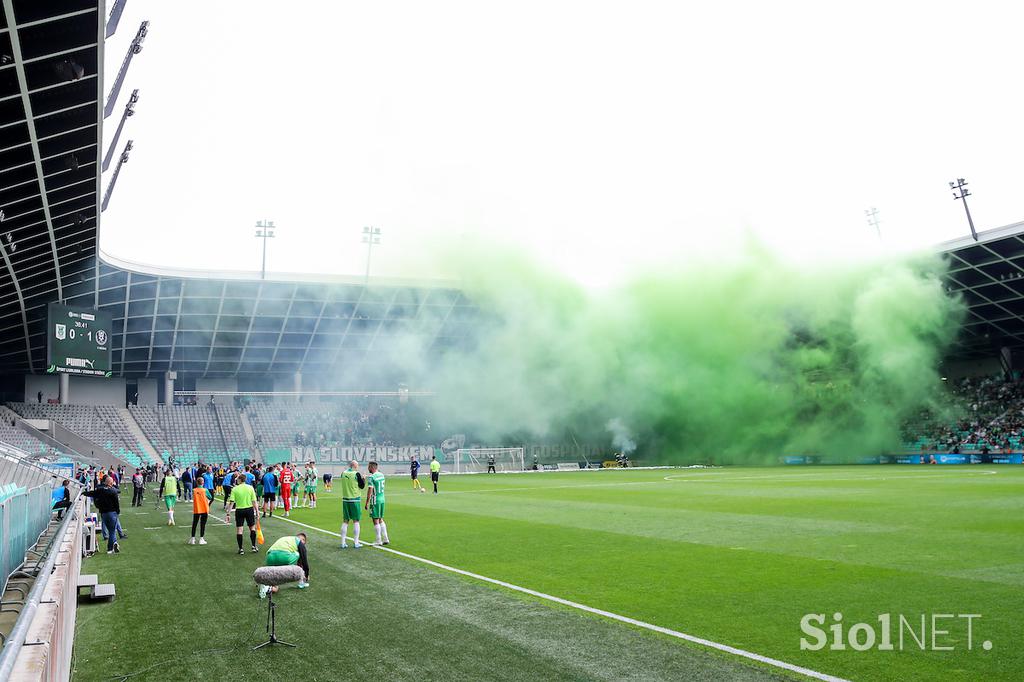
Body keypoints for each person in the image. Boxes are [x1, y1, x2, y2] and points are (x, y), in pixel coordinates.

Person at [259, 533, 310, 598]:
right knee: (299, 555)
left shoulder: (286, 538)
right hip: (284, 556)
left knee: (275, 587)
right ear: (302, 540)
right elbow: (304, 562)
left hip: (269, 556)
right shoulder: (299, 542)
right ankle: (301, 581)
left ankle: (266, 588)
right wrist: (306, 574)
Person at [84, 476, 121, 554]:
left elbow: (92, 493)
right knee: (112, 531)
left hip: (103, 513)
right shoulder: (113, 491)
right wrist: (117, 511)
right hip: (112, 513)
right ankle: (111, 547)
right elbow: (116, 503)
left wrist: (84, 493)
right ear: (111, 483)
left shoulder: (100, 490)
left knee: (110, 530)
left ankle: (113, 546)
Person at [226, 472, 260, 555]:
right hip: (249, 510)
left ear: (240, 480)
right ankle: (253, 546)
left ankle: (241, 549)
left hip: (239, 510)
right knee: (252, 528)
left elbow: (231, 503)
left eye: (237, 479)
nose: (236, 480)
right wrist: (257, 511)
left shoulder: (235, 489)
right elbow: (254, 501)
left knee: (239, 530)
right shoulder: (250, 488)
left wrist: (228, 514)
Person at [339, 460, 365, 549]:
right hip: (355, 499)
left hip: (345, 499)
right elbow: (362, 486)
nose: (358, 467)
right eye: (357, 465)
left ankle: (342, 543)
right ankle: (356, 542)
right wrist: (363, 479)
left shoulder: (343, 473)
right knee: (356, 521)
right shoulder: (356, 474)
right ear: (354, 465)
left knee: (345, 520)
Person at [365, 461, 389, 546]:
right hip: (382, 499)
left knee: (375, 520)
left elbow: (370, 490)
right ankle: (385, 538)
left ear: (372, 467)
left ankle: (378, 540)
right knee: (380, 518)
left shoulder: (372, 477)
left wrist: (367, 502)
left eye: (368, 467)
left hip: (375, 500)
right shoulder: (381, 475)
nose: (368, 468)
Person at [188, 480, 214, 545]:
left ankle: (192, 539)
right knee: (202, 524)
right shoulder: (205, 490)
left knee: (194, 524)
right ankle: (201, 539)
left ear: (197, 482)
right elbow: (210, 497)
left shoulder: (194, 490)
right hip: (204, 509)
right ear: (203, 483)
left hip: (197, 509)